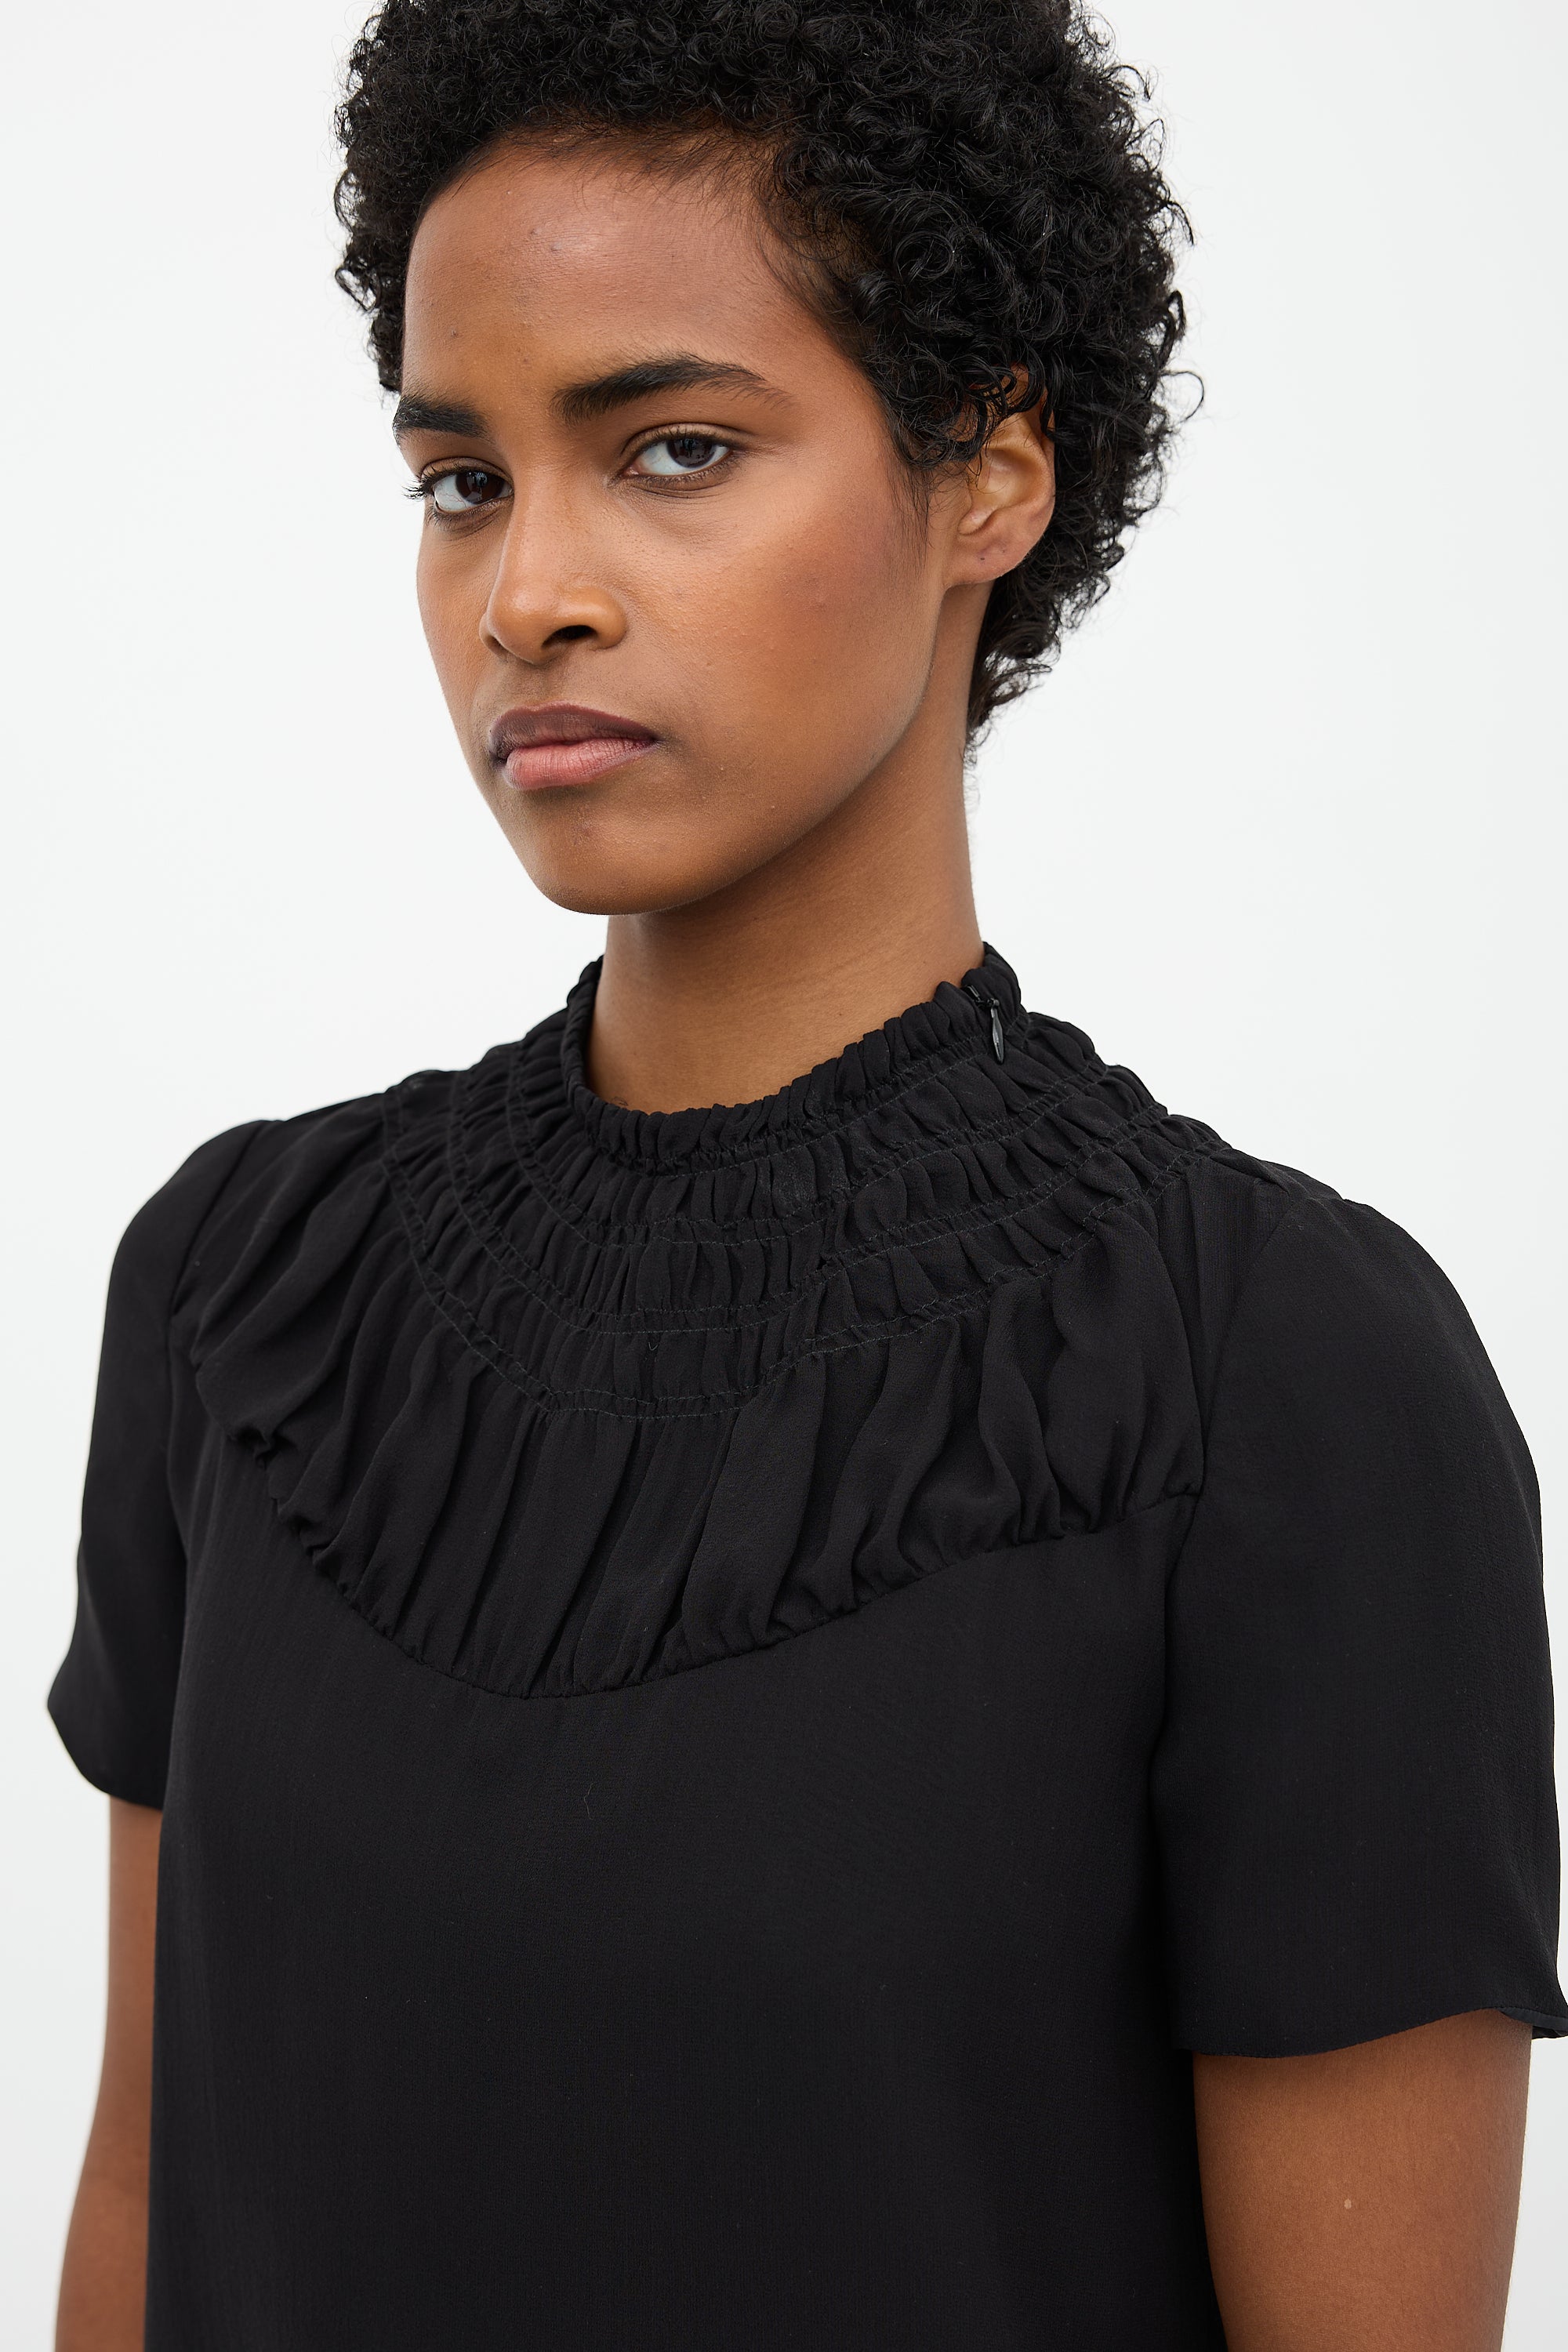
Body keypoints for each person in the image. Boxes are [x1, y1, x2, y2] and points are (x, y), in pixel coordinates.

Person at [49, 3, 1565, 2347]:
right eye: (461, 479)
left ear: (990, 481)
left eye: (673, 449)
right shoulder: (247, 1294)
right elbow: (147, 2193)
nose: (527, 590)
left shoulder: (1274, 1388)